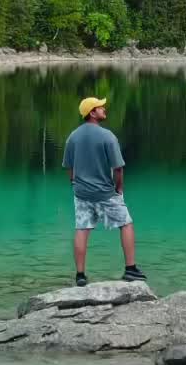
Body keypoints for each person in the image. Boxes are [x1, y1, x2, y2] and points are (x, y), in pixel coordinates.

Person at [61, 96, 146, 287]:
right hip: (105, 192)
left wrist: (74, 184)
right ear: (92, 113)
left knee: (82, 229)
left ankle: (80, 275)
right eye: (100, 107)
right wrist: (119, 188)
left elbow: (69, 167)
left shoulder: (73, 137)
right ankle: (130, 269)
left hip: (81, 192)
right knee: (126, 223)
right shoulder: (107, 136)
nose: (104, 108)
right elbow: (118, 168)